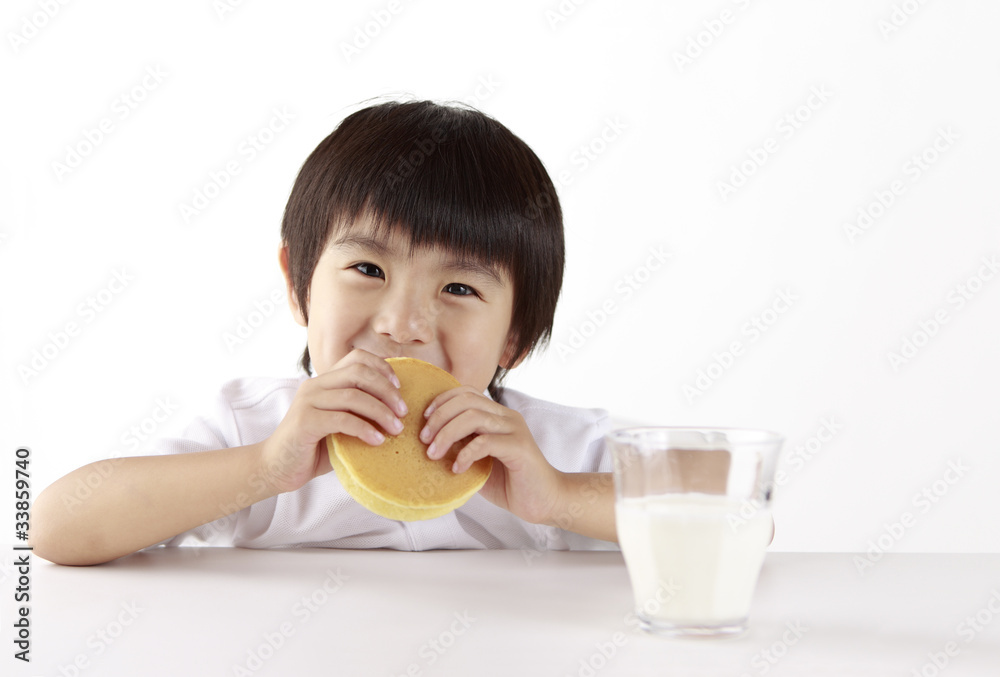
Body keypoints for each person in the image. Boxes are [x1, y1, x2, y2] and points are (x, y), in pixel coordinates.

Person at [31, 99, 618, 566]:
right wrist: (263, 468)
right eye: (368, 270)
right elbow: (55, 527)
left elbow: (712, 501)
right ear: (298, 285)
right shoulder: (257, 427)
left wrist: (563, 496)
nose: (402, 325)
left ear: (514, 336)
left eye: (459, 289)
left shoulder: (547, 449)